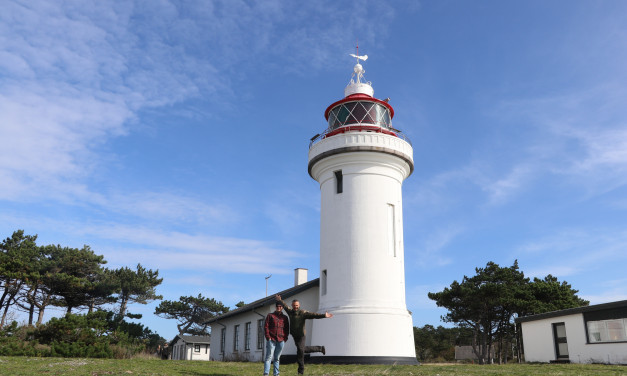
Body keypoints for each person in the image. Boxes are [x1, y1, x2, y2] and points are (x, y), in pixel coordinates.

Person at [275, 294, 333, 375]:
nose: (296, 307)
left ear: (299, 305)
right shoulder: (290, 312)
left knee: (300, 351)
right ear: (292, 305)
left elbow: (313, 315)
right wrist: (279, 300)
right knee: (302, 349)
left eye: (297, 305)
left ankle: (300, 371)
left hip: (301, 335)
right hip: (295, 335)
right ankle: (320, 348)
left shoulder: (303, 313)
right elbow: (284, 306)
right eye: (294, 305)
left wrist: (324, 315)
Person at [263, 302, 290, 376]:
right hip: (271, 340)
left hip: (281, 340)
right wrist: (268, 337)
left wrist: (285, 338)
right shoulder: (270, 315)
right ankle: (266, 373)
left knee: (277, 358)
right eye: (277, 306)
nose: (279, 307)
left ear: (282, 308)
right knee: (268, 357)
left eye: (280, 306)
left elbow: (287, 329)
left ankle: (276, 374)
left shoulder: (285, 317)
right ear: (275, 307)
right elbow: (266, 327)